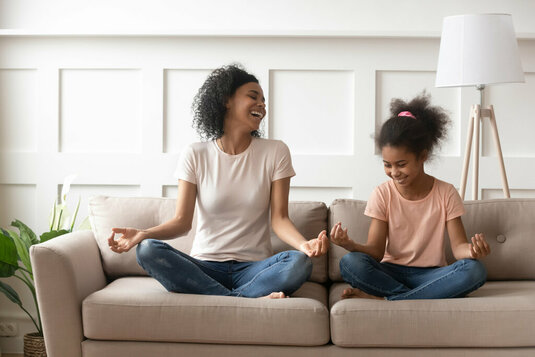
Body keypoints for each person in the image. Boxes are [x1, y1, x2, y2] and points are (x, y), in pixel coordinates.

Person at [107, 64, 328, 299]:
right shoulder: (195, 154)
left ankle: (224, 299)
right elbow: (182, 222)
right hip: (205, 266)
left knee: (299, 262)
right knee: (148, 249)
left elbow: (280, 219)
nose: (262, 105)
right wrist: (143, 234)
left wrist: (304, 245)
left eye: (264, 100)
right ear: (226, 101)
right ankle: (244, 299)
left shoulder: (276, 152)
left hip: (253, 268)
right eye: (253, 96)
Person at [330, 93, 490, 301]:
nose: (394, 172)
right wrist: (350, 245)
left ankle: (388, 298)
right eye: (387, 165)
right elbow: (376, 252)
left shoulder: (446, 192)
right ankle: (415, 297)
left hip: (433, 275)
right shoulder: (382, 193)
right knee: (350, 263)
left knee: (474, 270)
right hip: (390, 272)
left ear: (422, 156)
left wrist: (472, 251)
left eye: (401, 164)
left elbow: (459, 248)